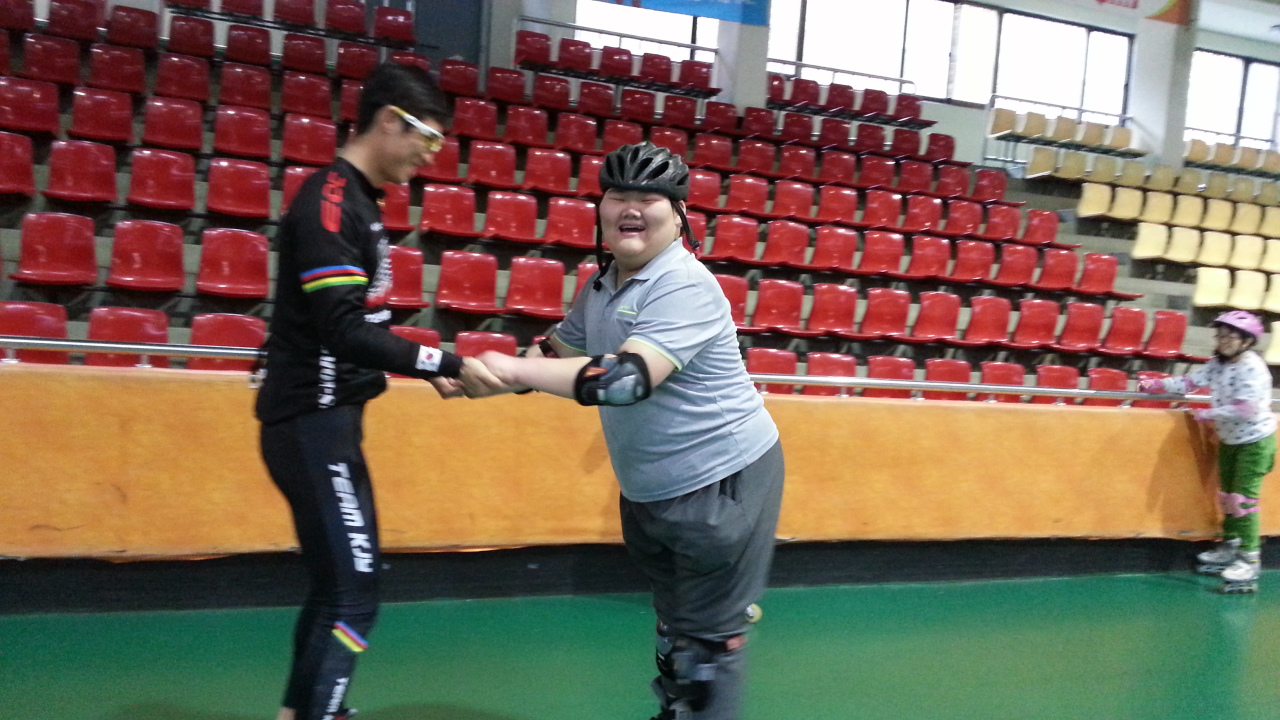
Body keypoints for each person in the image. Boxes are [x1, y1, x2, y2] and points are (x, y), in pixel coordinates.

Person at [473, 142, 786, 719]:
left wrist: (514, 371)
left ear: (680, 215)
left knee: (706, 650)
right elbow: (557, 351)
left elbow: (626, 379)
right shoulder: (604, 283)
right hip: (651, 486)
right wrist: (478, 376)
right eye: (619, 195)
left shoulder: (685, 285)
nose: (631, 208)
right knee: (675, 632)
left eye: (650, 197)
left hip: (722, 479)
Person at [255, 63, 503, 720]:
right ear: (391, 120)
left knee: (337, 587)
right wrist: (444, 360)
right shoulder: (330, 205)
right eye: (429, 138)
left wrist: (429, 366)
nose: (432, 154)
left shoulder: (359, 203)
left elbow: (356, 327)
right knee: (354, 595)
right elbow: (341, 329)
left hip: (326, 425)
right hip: (312, 423)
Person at [1139, 310, 1276, 593]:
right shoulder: (1218, 364)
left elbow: (1247, 409)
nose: (1223, 341)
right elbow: (1190, 382)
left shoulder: (1253, 368)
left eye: (1230, 337)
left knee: (1243, 502)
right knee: (1226, 498)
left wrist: (1209, 414)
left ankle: (1250, 560)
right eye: (1220, 336)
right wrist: (1158, 385)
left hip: (1255, 442)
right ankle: (1231, 545)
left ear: (1247, 341)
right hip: (1230, 440)